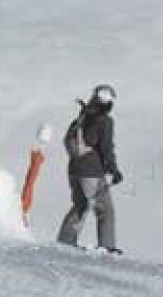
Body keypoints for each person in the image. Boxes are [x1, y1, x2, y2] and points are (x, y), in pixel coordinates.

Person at [57, 84, 123, 254]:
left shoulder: (83, 116)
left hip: (74, 169)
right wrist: (114, 170)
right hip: (92, 171)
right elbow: (106, 148)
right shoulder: (104, 121)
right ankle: (107, 245)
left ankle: (65, 240)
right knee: (105, 209)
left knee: (80, 205)